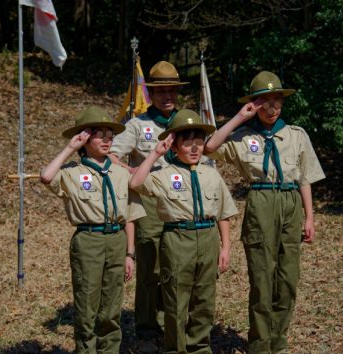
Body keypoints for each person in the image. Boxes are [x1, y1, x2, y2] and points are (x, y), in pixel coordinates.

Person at [204, 71, 326, 354]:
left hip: (290, 201)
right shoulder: (244, 137)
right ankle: (259, 345)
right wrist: (239, 118)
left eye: (276, 101)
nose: (272, 108)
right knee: (261, 280)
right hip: (261, 201)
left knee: (287, 279)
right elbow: (210, 147)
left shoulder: (296, 135)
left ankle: (278, 342)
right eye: (264, 102)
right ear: (254, 104)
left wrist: (309, 217)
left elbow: (304, 178)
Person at [129, 109, 238, 354]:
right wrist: (155, 153)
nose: (194, 147)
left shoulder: (211, 174)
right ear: (174, 146)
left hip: (208, 238)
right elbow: (135, 183)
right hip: (178, 239)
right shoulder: (163, 175)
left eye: (198, 141)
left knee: (203, 301)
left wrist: (226, 247)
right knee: (176, 300)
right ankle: (174, 349)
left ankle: (199, 348)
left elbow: (222, 213)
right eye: (186, 141)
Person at [40, 105, 145, 354]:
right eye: (100, 135)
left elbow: (129, 215)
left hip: (117, 240)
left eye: (110, 135)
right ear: (85, 138)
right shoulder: (73, 173)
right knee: (87, 306)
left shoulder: (120, 172)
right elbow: (46, 177)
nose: (107, 140)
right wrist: (70, 148)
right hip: (88, 240)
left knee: (111, 307)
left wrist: (130, 253)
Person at [108, 60, 189, 351]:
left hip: (183, 204)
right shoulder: (137, 124)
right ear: (151, 93)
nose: (168, 96)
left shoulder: (187, 122)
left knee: (180, 268)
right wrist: (135, 174)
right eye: (162, 91)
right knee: (150, 270)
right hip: (149, 205)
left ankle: (177, 326)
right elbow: (112, 156)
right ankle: (145, 330)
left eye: (173, 91)